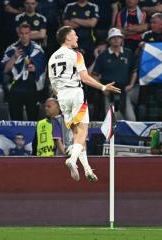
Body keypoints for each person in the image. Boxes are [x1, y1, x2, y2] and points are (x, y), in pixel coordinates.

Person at [48, 26, 120, 182]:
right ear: (67, 38)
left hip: (62, 97)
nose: (77, 38)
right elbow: (85, 77)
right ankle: (71, 160)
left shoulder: (52, 57)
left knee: (76, 136)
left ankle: (87, 169)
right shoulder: (76, 54)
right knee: (83, 133)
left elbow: (52, 84)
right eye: (74, 35)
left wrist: (61, 95)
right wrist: (103, 87)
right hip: (75, 93)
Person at [91, 28, 138, 121]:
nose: (116, 39)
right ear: (109, 40)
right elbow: (94, 74)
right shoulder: (103, 55)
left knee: (131, 118)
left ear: (122, 39)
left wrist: (131, 84)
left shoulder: (128, 53)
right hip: (109, 91)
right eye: (113, 38)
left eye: (118, 37)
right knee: (112, 120)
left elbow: (134, 70)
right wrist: (102, 88)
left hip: (124, 91)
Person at [2, 23, 46, 121]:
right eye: (21, 33)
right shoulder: (11, 49)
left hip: (32, 89)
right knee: (16, 120)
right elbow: (5, 69)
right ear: (18, 34)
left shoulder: (37, 50)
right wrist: (14, 57)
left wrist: (35, 68)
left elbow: (43, 67)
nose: (24, 36)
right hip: (15, 89)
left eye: (26, 33)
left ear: (30, 34)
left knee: (33, 120)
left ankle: (33, 137)